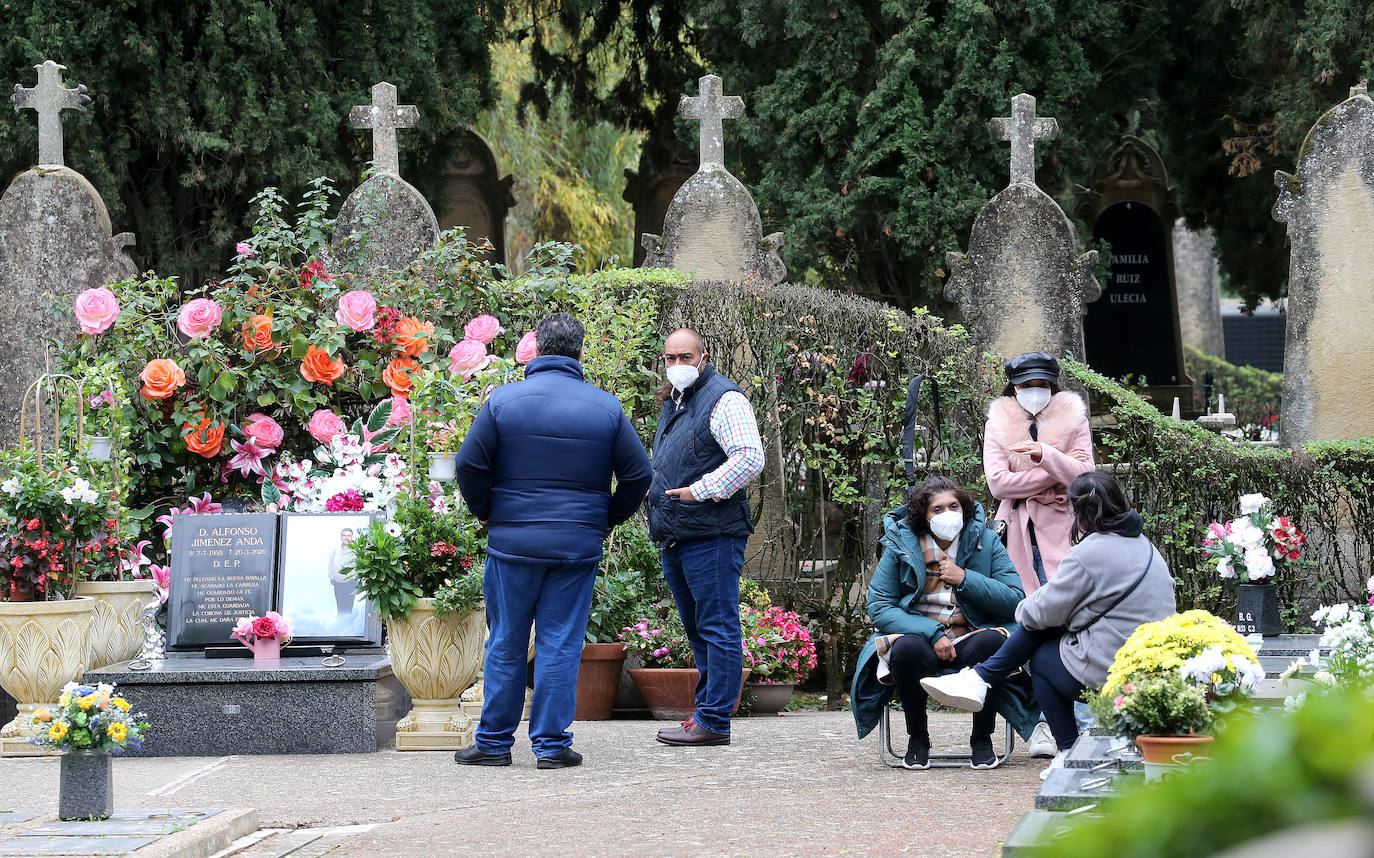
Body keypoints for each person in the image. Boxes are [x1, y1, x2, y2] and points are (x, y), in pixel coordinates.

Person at [453, 312, 652, 769]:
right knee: (561, 643)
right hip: (575, 547)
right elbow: (639, 474)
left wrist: (488, 512)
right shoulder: (606, 408)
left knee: (505, 640)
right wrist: (605, 519)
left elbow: (469, 465)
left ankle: (493, 743)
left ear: (537, 350)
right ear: (581, 354)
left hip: (513, 544)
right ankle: (551, 745)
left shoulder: (502, 402)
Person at [920, 472, 1176, 777]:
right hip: (1151, 663)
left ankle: (1067, 749)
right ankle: (979, 678)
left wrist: (1033, 611)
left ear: (1079, 512)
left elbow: (1035, 612)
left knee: (1040, 654)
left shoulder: (1090, 552)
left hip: (1112, 669)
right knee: (1048, 629)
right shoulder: (1145, 546)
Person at [850, 477, 1039, 769]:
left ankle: (982, 739)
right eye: (937, 509)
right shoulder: (901, 543)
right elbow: (879, 605)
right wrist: (932, 632)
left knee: (993, 643)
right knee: (906, 650)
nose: (947, 514)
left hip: (971, 636)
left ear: (964, 509)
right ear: (924, 516)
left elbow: (1015, 598)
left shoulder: (984, 541)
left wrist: (966, 579)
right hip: (921, 638)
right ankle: (918, 739)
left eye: (954, 506)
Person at [646, 328, 765, 747]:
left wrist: (701, 490)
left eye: (684, 356)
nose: (676, 364)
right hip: (680, 533)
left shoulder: (724, 398)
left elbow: (750, 458)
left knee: (717, 628)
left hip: (711, 532)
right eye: (670, 357)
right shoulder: (679, 401)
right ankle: (706, 715)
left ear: (704, 356)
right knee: (699, 629)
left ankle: (714, 721)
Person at [984, 352, 1094, 759]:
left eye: (1043, 385)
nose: (1035, 393)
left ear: (1054, 386)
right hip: (1018, 535)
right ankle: (1044, 723)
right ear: (1013, 387)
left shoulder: (1074, 419)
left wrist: (1043, 455)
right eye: (1027, 385)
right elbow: (998, 484)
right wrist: (1055, 473)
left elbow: (1085, 477)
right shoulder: (998, 422)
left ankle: (1079, 715)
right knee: (1027, 618)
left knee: (1068, 617)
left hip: (1063, 533)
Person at [326, 527, 357, 615]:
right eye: (344, 535)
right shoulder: (336, 549)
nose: (346, 537)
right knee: (339, 604)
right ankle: (341, 622)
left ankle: (348, 624)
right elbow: (330, 563)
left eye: (349, 535)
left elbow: (360, 565)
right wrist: (331, 577)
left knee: (348, 606)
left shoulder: (355, 549)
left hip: (350, 583)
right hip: (337, 582)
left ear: (352, 537)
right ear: (341, 536)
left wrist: (359, 579)